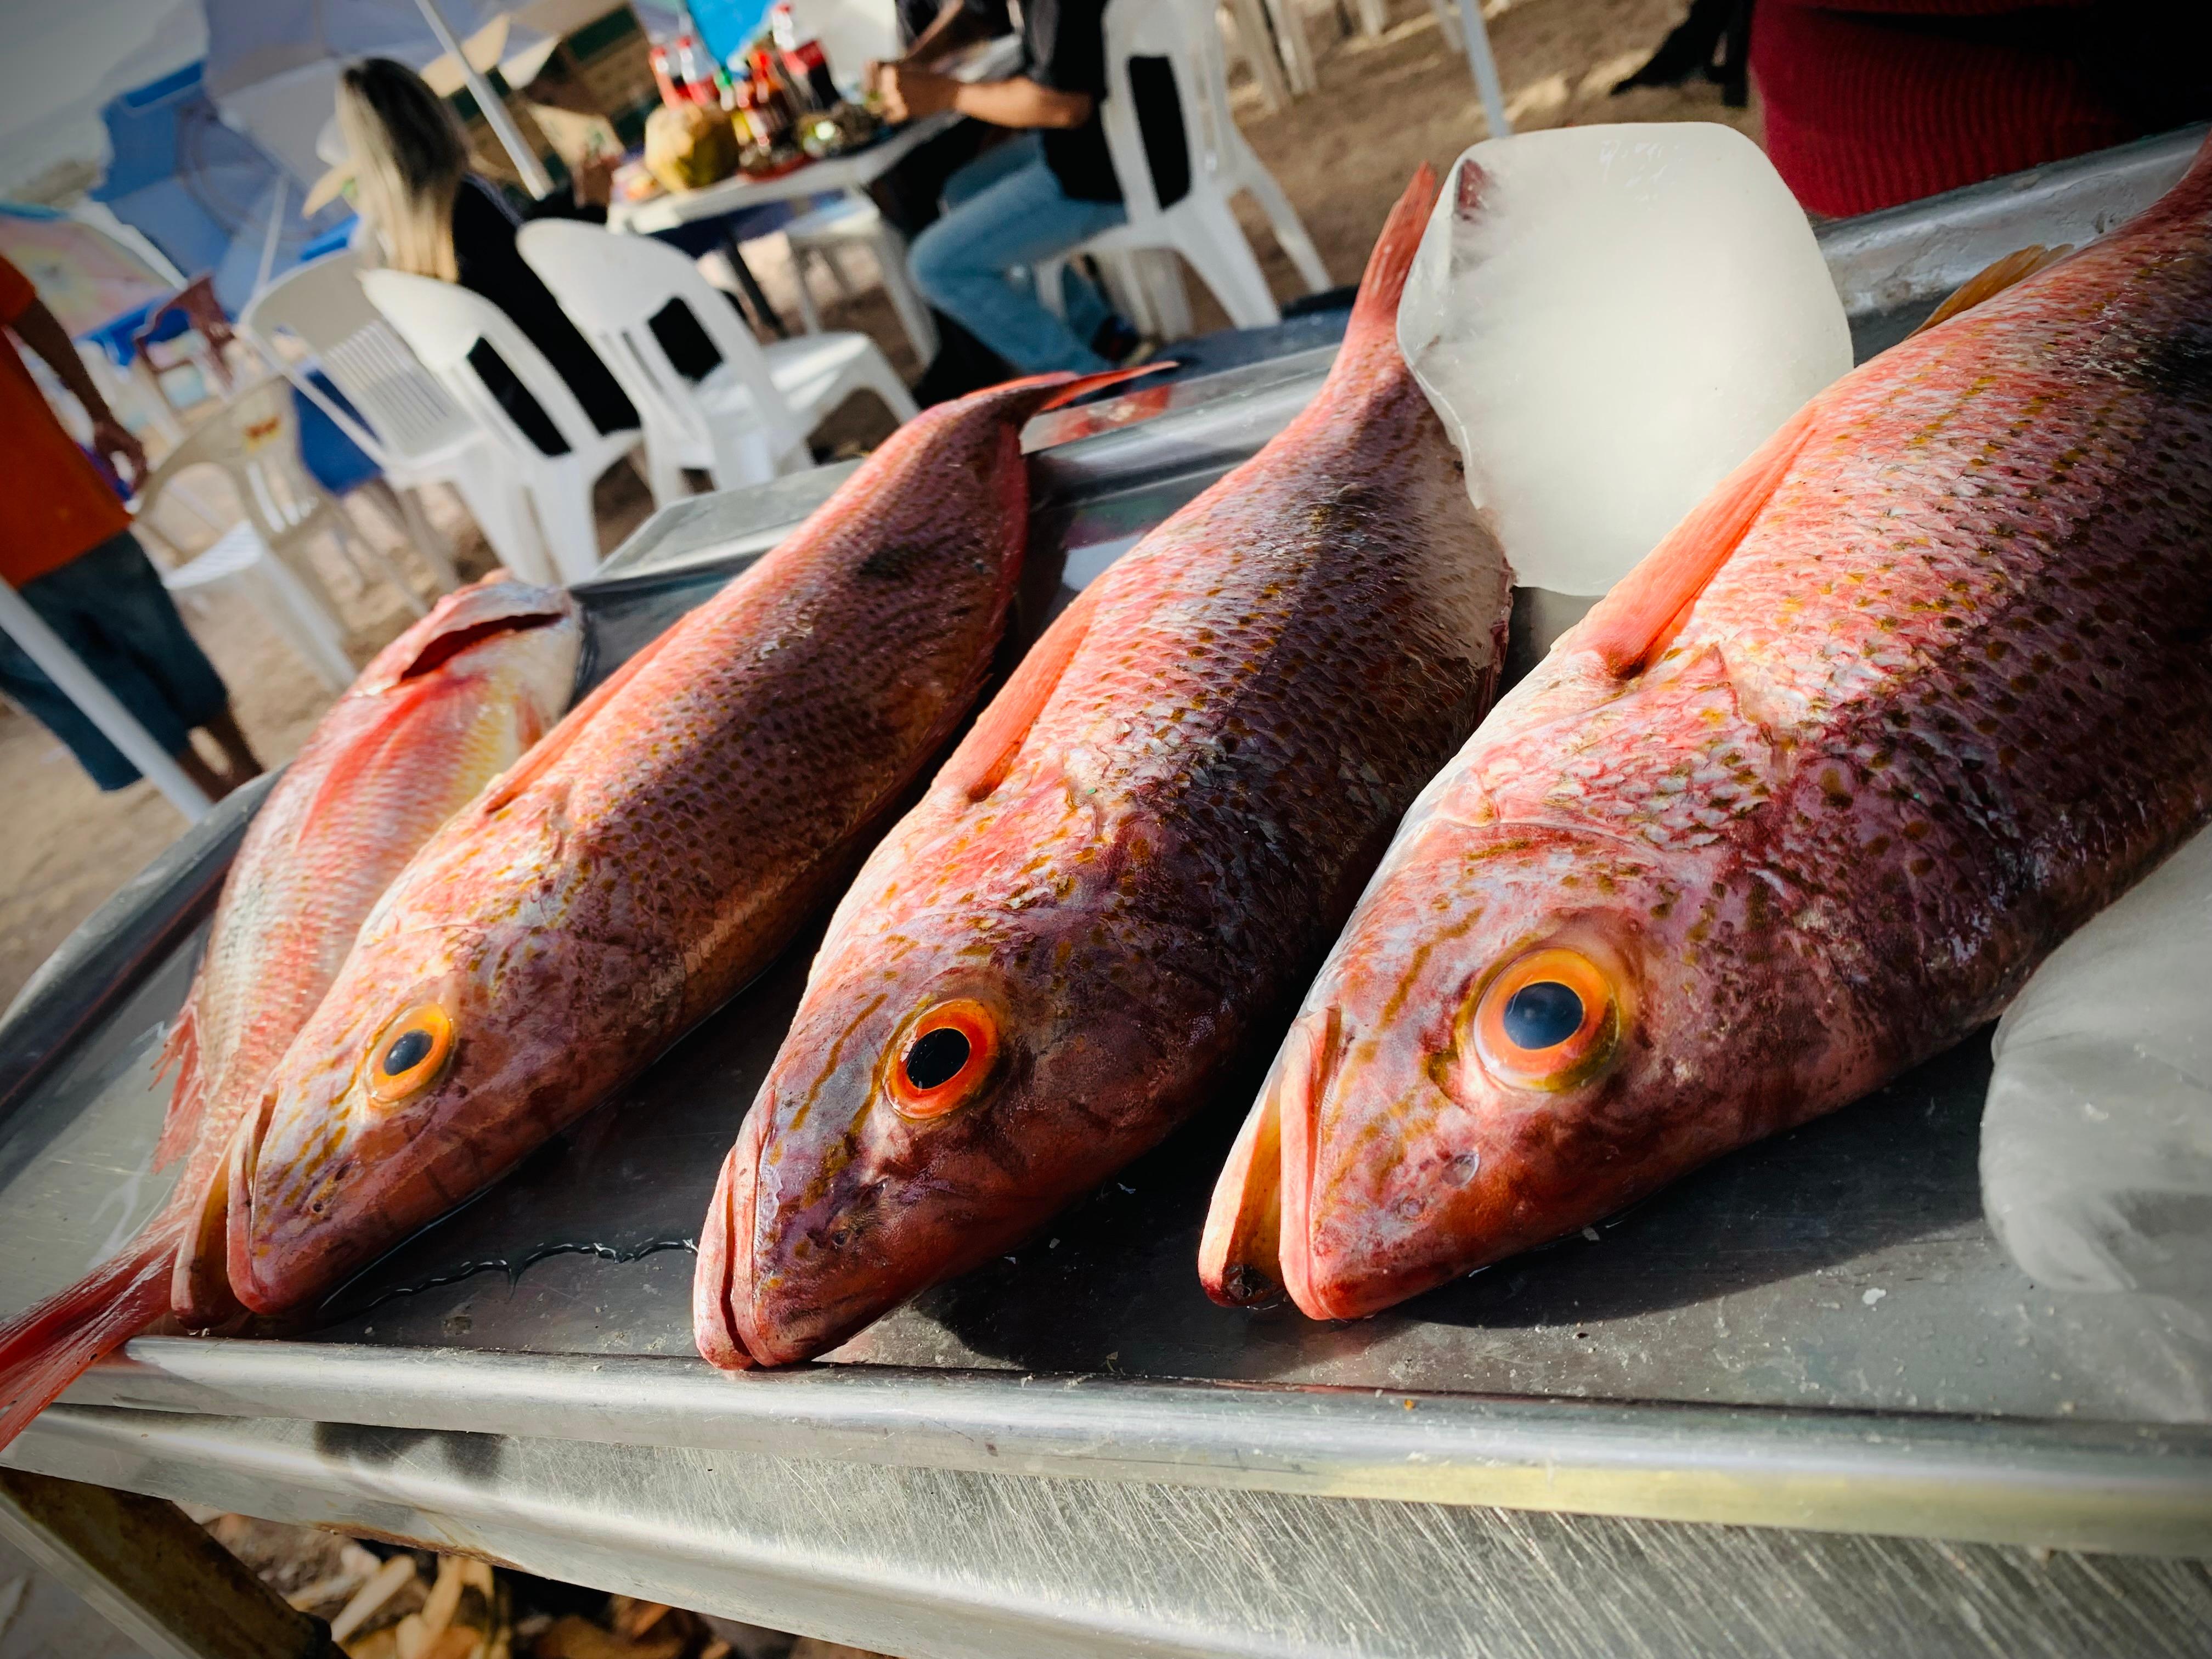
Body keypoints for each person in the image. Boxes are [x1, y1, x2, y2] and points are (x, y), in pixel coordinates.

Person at [0, 255, 262, 799]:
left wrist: (100, 412)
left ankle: (241, 779)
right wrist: (99, 412)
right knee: (90, 681)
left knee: (146, 643)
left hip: (48, 498)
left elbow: (24, 308)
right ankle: (217, 796)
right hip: (52, 506)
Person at [336, 58, 645, 454]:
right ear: (434, 116)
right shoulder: (465, 199)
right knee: (707, 309)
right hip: (584, 399)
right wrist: (593, 211)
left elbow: (511, 250)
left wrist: (574, 195)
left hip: (524, 415)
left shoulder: (400, 234)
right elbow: (549, 289)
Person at [874, 0, 1142, 374]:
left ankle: (1085, 382)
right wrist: (914, 65)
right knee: (964, 190)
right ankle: (1100, 332)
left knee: (934, 266)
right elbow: (979, 13)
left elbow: (1062, 106)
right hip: (1122, 137)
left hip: (1116, 172)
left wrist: (946, 94)